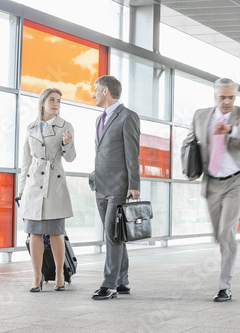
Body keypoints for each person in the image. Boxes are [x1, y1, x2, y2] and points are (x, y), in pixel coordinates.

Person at [181, 78, 240, 302]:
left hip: (236, 182)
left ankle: (225, 286)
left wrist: (232, 129)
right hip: (212, 183)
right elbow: (188, 143)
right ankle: (225, 264)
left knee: (226, 234)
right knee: (219, 236)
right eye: (222, 97)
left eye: (231, 97)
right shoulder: (201, 115)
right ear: (215, 95)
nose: (227, 101)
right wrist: (189, 169)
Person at [18, 87, 76, 292]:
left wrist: (67, 144)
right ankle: (37, 276)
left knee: (55, 232)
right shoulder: (31, 127)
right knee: (34, 231)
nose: (56, 104)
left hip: (55, 182)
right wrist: (21, 189)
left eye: (59, 101)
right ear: (42, 102)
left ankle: (60, 273)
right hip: (34, 184)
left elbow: (70, 158)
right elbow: (25, 160)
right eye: (52, 99)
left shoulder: (65, 126)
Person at [89, 75, 141, 300]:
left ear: (105, 92)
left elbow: (132, 153)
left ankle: (109, 284)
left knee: (112, 235)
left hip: (119, 186)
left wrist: (134, 185)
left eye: (95, 90)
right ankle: (122, 281)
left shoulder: (128, 116)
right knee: (116, 235)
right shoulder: (99, 120)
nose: (93, 94)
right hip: (100, 185)